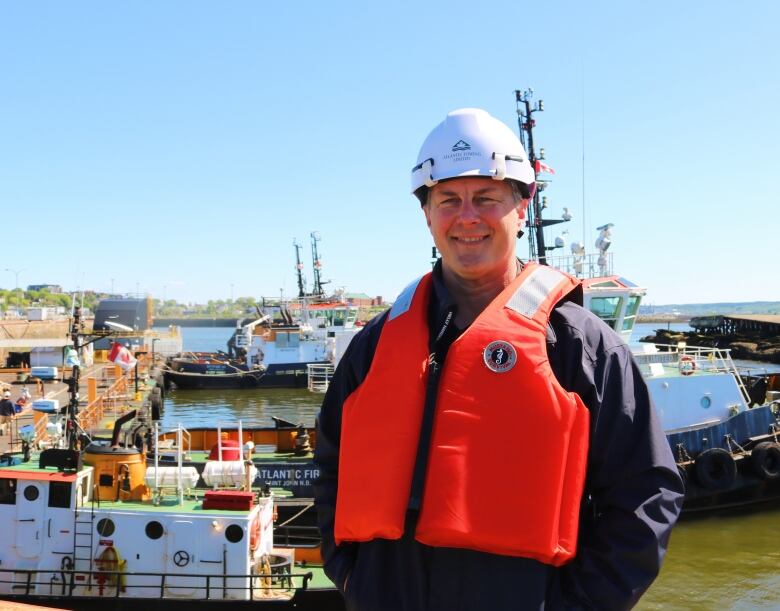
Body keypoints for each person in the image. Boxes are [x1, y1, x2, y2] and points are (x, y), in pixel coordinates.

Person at [314, 108, 684, 611]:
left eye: (486, 198)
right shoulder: (376, 343)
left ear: (522, 207)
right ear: (426, 214)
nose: (468, 217)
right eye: (448, 200)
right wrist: (355, 578)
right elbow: (331, 466)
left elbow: (646, 496)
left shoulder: (582, 346)